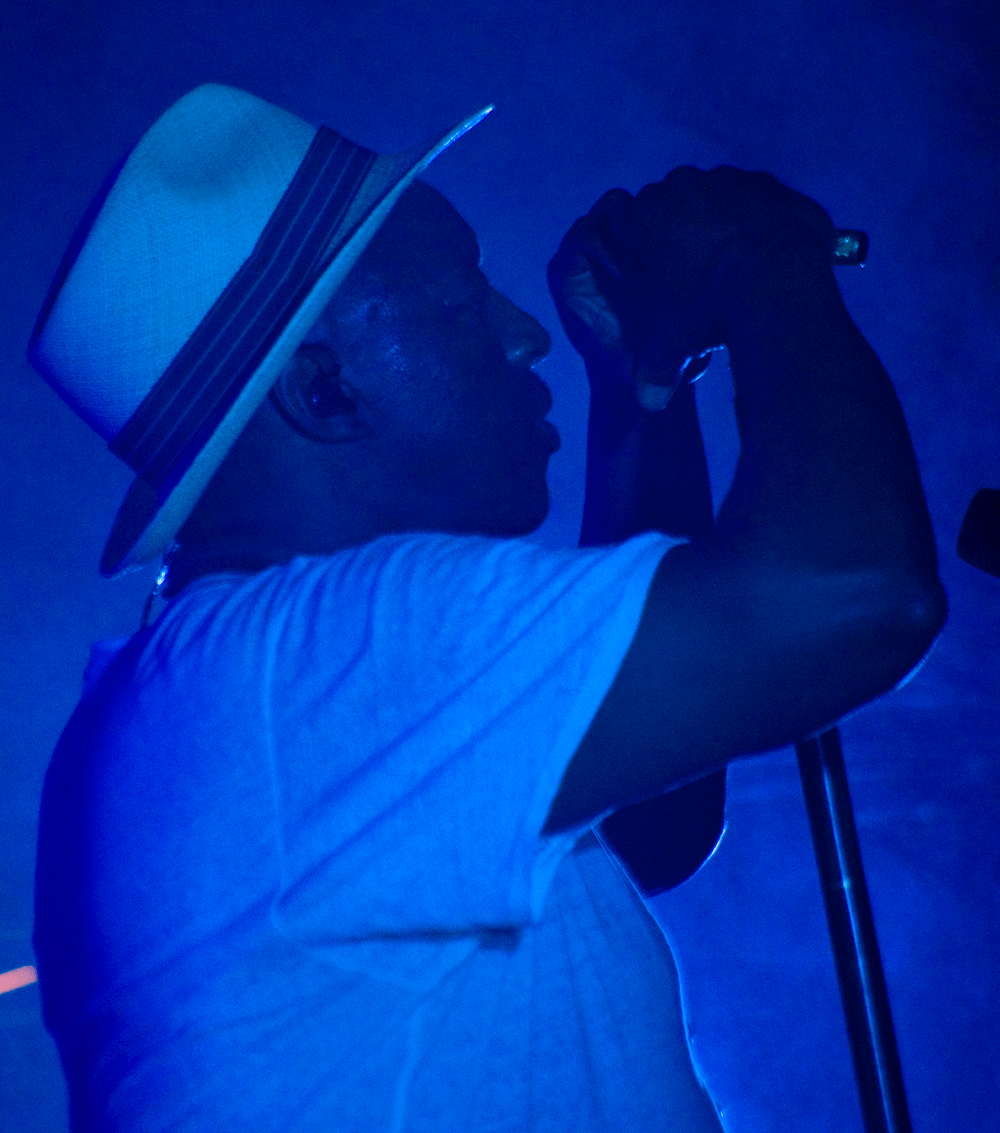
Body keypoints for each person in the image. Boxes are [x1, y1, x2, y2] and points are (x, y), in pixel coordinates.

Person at [30, 86, 945, 1132]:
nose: (526, 335)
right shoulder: (317, 657)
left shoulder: (229, 696)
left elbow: (650, 822)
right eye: (464, 302)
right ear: (324, 389)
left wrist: (639, 390)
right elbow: (854, 593)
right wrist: (763, 252)